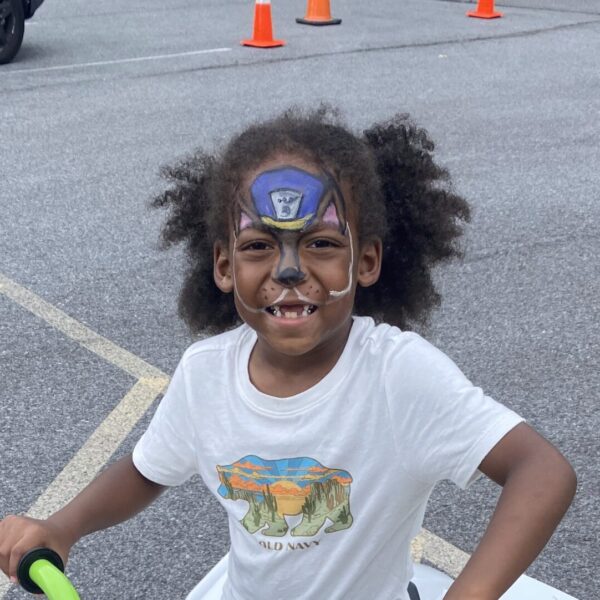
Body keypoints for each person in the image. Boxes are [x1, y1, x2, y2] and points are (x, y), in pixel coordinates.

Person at [0, 106, 576, 600]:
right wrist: (63, 526)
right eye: (258, 246)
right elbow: (148, 469)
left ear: (366, 261)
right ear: (224, 266)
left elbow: (542, 472)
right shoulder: (206, 374)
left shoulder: (397, 374)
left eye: (321, 243)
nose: (290, 271)